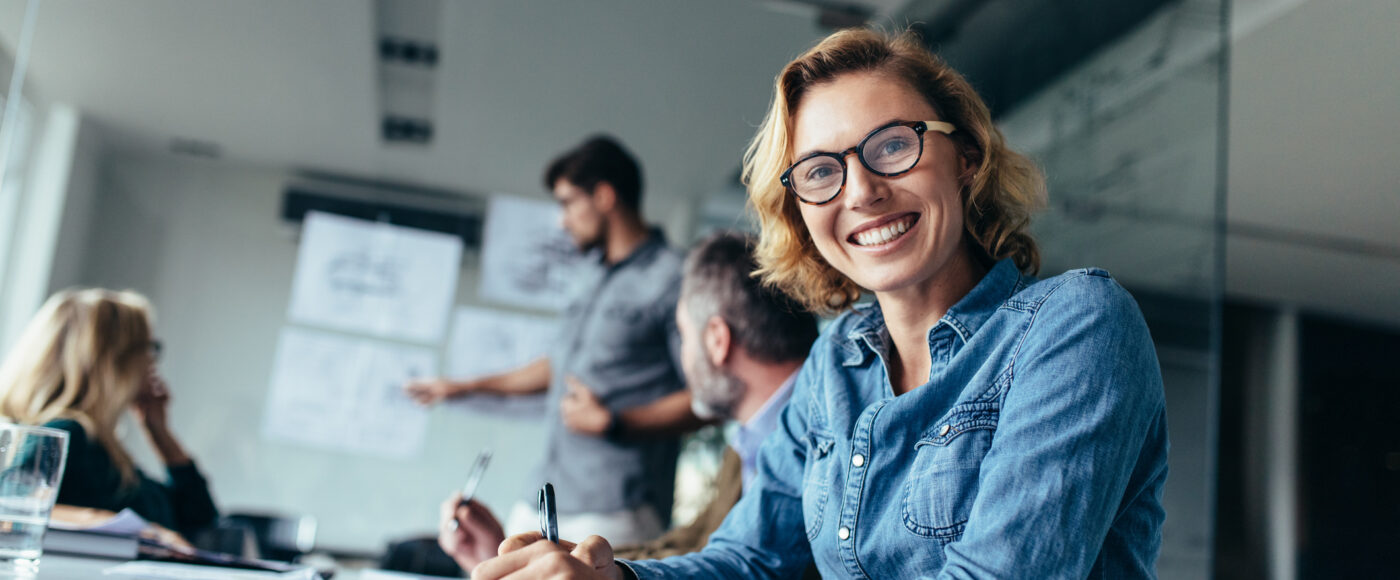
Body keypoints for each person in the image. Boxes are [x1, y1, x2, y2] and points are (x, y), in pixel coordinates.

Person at [471, 27, 1169, 579]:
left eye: (894, 145)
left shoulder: (1077, 326)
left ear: (967, 157)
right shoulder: (837, 361)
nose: (861, 191)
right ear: (800, 210)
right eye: (821, 171)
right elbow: (753, 560)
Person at [437, 232, 821, 573]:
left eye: (684, 336)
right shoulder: (747, 448)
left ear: (717, 341)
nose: (682, 363)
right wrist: (521, 562)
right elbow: (692, 550)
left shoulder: (818, 440)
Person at [405, 136, 704, 544]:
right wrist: (464, 386)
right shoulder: (589, 275)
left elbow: (709, 398)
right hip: (542, 495)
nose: (562, 221)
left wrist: (615, 423)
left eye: (567, 203)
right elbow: (560, 364)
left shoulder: (675, 278)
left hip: (615, 510)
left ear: (604, 196)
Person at [0, 289, 218, 539]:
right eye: (147, 348)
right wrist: (137, 530)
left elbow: (199, 517)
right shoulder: (67, 432)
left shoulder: (101, 448)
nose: (152, 362)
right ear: (113, 359)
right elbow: (11, 506)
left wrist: (159, 431)